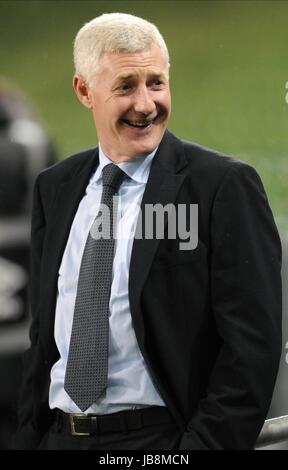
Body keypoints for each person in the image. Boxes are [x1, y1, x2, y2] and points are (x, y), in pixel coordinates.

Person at [12, 13, 282, 450]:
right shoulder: (55, 186)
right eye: (125, 86)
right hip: (59, 437)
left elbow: (253, 344)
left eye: (155, 82)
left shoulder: (221, 186)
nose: (145, 104)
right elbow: (44, 334)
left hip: (158, 441)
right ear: (84, 91)